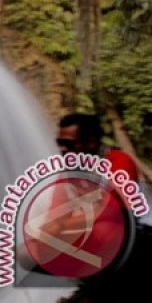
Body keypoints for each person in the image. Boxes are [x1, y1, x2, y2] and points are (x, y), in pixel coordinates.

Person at [53, 113, 152, 302]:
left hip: (143, 236)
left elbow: (112, 210)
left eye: (69, 143)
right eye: (59, 142)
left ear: (91, 143)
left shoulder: (118, 161)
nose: (63, 149)